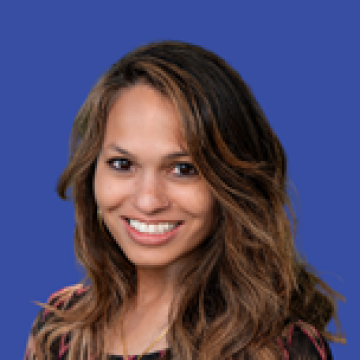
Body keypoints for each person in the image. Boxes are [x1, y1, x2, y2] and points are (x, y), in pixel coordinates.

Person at [24, 40, 346, 360]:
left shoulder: (278, 349)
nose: (148, 201)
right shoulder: (59, 327)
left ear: (232, 184)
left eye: (182, 169)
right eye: (123, 165)